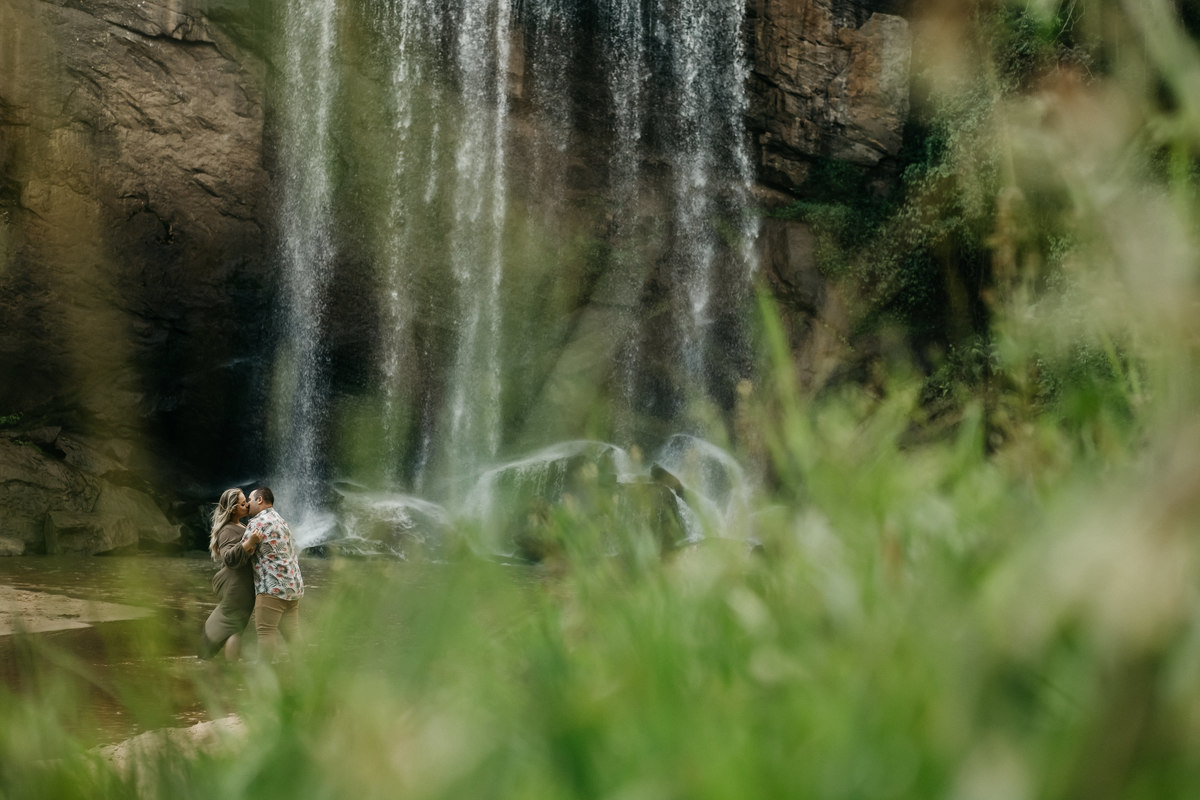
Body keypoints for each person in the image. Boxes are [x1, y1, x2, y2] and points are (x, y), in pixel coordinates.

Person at [240, 486, 304, 659]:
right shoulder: (281, 520)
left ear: (259, 500)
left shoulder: (257, 522)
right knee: (293, 636)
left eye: (249, 500)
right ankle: (305, 675)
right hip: (294, 587)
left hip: (272, 587)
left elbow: (242, 554)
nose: (247, 505)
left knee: (266, 633)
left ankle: (267, 679)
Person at [200, 488, 255, 660]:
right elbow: (229, 558)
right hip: (238, 587)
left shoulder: (239, 526)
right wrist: (249, 543)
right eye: (243, 503)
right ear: (232, 509)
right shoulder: (227, 530)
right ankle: (232, 670)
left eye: (246, 500)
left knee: (233, 626)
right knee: (235, 628)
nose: (247, 505)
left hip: (241, 585)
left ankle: (209, 661)